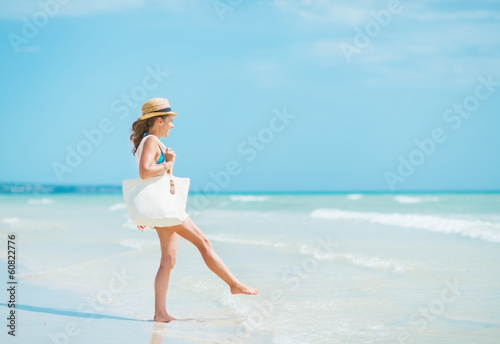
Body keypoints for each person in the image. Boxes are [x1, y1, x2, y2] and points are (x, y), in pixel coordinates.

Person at [129, 98, 259, 323]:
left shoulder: (150, 141)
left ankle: (160, 314)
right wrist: (168, 163)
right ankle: (234, 285)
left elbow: (149, 178)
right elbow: (144, 173)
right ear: (159, 120)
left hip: (162, 209)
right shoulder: (151, 141)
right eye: (170, 120)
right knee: (203, 242)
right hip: (167, 209)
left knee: (168, 260)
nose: (173, 125)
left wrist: (145, 210)